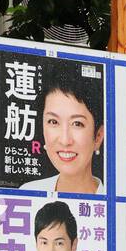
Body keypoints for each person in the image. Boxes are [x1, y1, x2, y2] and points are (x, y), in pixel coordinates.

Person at [21, 62, 105, 195]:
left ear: (98, 136)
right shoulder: (27, 193)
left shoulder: (116, 204)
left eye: (77, 123)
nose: (65, 140)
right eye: (53, 121)